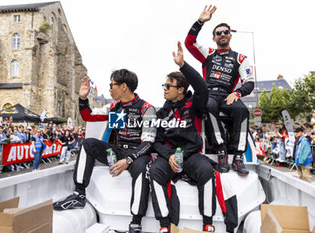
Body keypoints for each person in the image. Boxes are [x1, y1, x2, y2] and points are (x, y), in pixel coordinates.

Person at [53, 69, 157, 233]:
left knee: (142, 168)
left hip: (138, 154)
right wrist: (82, 98)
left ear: (123, 86)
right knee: (88, 144)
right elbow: (89, 116)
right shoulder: (115, 107)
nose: (109, 89)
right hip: (118, 151)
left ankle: (136, 221)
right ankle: (79, 194)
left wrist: (129, 159)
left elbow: (149, 142)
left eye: (111, 85)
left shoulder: (146, 108)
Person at [149, 41, 216, 232]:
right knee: (155, 171)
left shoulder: (194, 104)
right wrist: (169, 155)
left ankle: (208, 222)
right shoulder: (161, 113)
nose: (165, 88)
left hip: (191, 154)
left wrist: (183, 65)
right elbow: (157, 142)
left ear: (180, 90)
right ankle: (164, 224)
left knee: (206, 170)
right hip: (169, 156)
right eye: (164, 85)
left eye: (169, 86)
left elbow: (202, 88)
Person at [185, 5, 255, 175]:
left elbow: (249, 82)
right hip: (208, 94)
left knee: (242, 110)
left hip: (228, 95)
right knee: (208, 106)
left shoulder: (240, 58)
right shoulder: (208, 53)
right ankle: (221, 151)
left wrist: (237, 93)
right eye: (218, 33)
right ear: (214, 38)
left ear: (230, 35)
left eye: (225, 32)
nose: (222, 34)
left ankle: (238, 157)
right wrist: (200, 21)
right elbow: (189, 43)